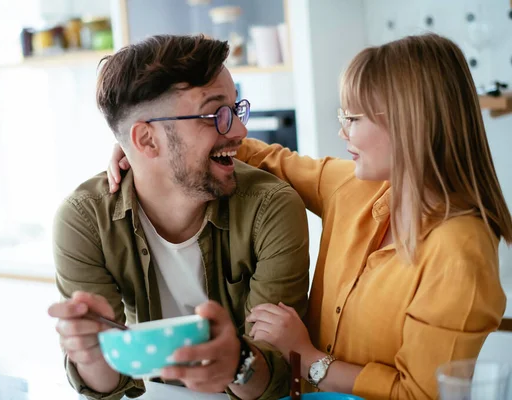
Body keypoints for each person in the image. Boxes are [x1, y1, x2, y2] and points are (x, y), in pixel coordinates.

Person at [107, 33, 511, 399]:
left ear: (410, 122)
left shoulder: (460, 251)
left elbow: (422, 396)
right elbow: (268, 158)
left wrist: (309, 356)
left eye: (353, 118)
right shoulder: (354, 188)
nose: (343, 132)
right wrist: (151, 146)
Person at [47, 34, 310, 400]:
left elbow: (282, 376)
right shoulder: (84, 220)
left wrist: (237, 361)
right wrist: (92, 354)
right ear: (147, 141)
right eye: (214, 114)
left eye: (235, 109)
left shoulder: (270, 208)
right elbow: (107, 387)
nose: (239, 130)